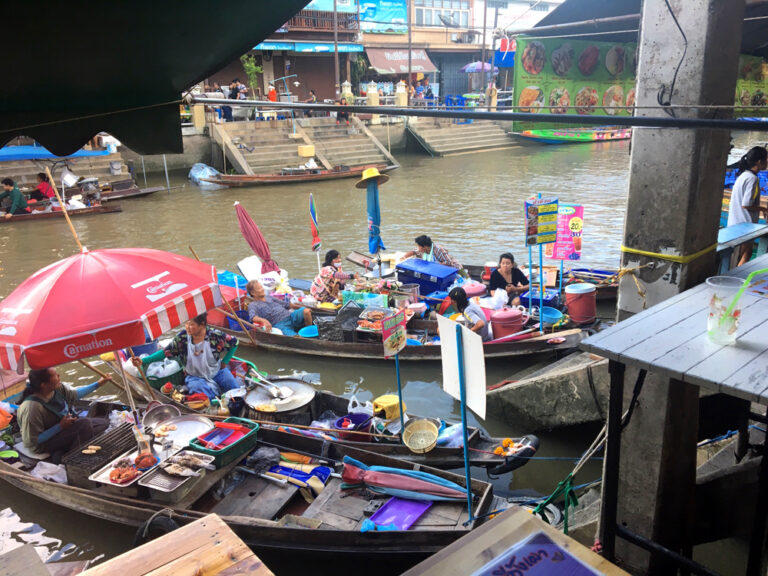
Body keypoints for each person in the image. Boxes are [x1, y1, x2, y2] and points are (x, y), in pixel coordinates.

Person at [133, 313, 239, 399]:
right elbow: (165, 352)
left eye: (191, 324)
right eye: (186, 324)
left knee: (234, 387)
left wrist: (225, 361)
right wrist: (144, 361)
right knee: (203, 397)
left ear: (202, 325)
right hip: (194, 376)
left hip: (216, 371)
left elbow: (235, 342)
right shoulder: (182, 338)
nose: (187, 327)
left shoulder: (216, 336)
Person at [17, 368, 111, 461]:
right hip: (43, 443)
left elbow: (75, 395)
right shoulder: (32, 408)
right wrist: (60, 426)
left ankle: (63, 449)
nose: (59, 376)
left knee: (103, 423)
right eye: (55, 375)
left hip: (63, 428)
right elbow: (31, 441)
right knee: (84, 423)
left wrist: (99, 383)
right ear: (44, 385)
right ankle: (70, 458)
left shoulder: (57, 388)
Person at [728, 146, 768, 266]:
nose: (767, 163)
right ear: (759, 162)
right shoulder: (752, 179)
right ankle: (735, 280)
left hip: (735, 223)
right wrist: (764, 209)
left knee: (741, 255)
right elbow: (746, 204)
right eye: (766, 160)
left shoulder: (744, 176)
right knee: (745, 254)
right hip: (744, 225)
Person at [246, 280, 312, 336]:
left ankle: (309, 332)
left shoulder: (269, 297)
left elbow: (287, 305)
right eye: (259, 288)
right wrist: (264, 320)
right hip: (280, 324)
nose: (262, 289)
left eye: (261, 287)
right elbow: (253, 317)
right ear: (253, 293)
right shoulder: (253, 305)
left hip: (290, 316)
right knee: (295, 337)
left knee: (306, 311)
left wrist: (301, 306)